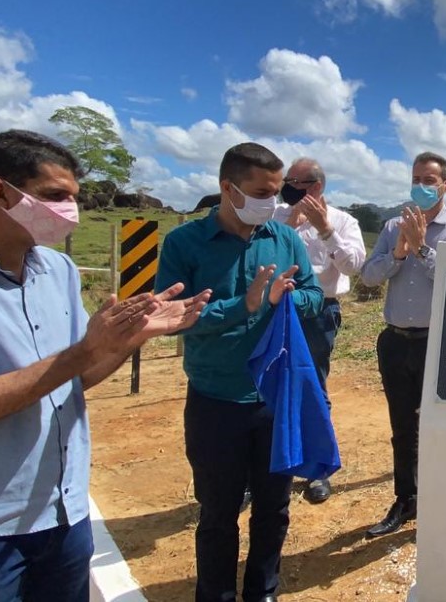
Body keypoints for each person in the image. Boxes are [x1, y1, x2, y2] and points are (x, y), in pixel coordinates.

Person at [0, 130, 209, 602]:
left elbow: (73, 382)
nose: (69, 211)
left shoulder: (57, 271)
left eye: (73, 198)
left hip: (63, 514)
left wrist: (126, 340)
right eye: (54, 196)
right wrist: (84, 350)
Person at [156, 143, 324, 602]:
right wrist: (244, 305)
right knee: (217, 510)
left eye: (277, 191)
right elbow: (173, 317)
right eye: (262, 191)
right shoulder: (184, 243)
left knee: (274, 506)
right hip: (216, 398)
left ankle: (262, 590)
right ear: (228, 188)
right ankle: (215, 593)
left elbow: (314, 295)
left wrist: (284, 298)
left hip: (274, 398)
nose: (272, 201)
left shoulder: (283, 237)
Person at [360, 151, 446, 538]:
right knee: (402, 427)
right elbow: (370, 277)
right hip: (395, 342)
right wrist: (398, 252)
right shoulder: (393, 226)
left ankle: (443, 500)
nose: (421, 187)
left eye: (430, 180)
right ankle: (405, 499)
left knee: (441, 425)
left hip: (440, 343)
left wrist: (423, 248)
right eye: (416, 179)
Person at [273, 157, 366, 504]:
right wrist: (290, 225)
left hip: (318, 313)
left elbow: (353, 267)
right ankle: (265, 470)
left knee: (313, 386)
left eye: (296, 181)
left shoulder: (343, 221)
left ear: (316, 187)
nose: (288, 187)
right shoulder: (275, 216)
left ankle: (317, 470)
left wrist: (325, 230)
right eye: (288, 180)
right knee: (266, 386)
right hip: (274, 309)